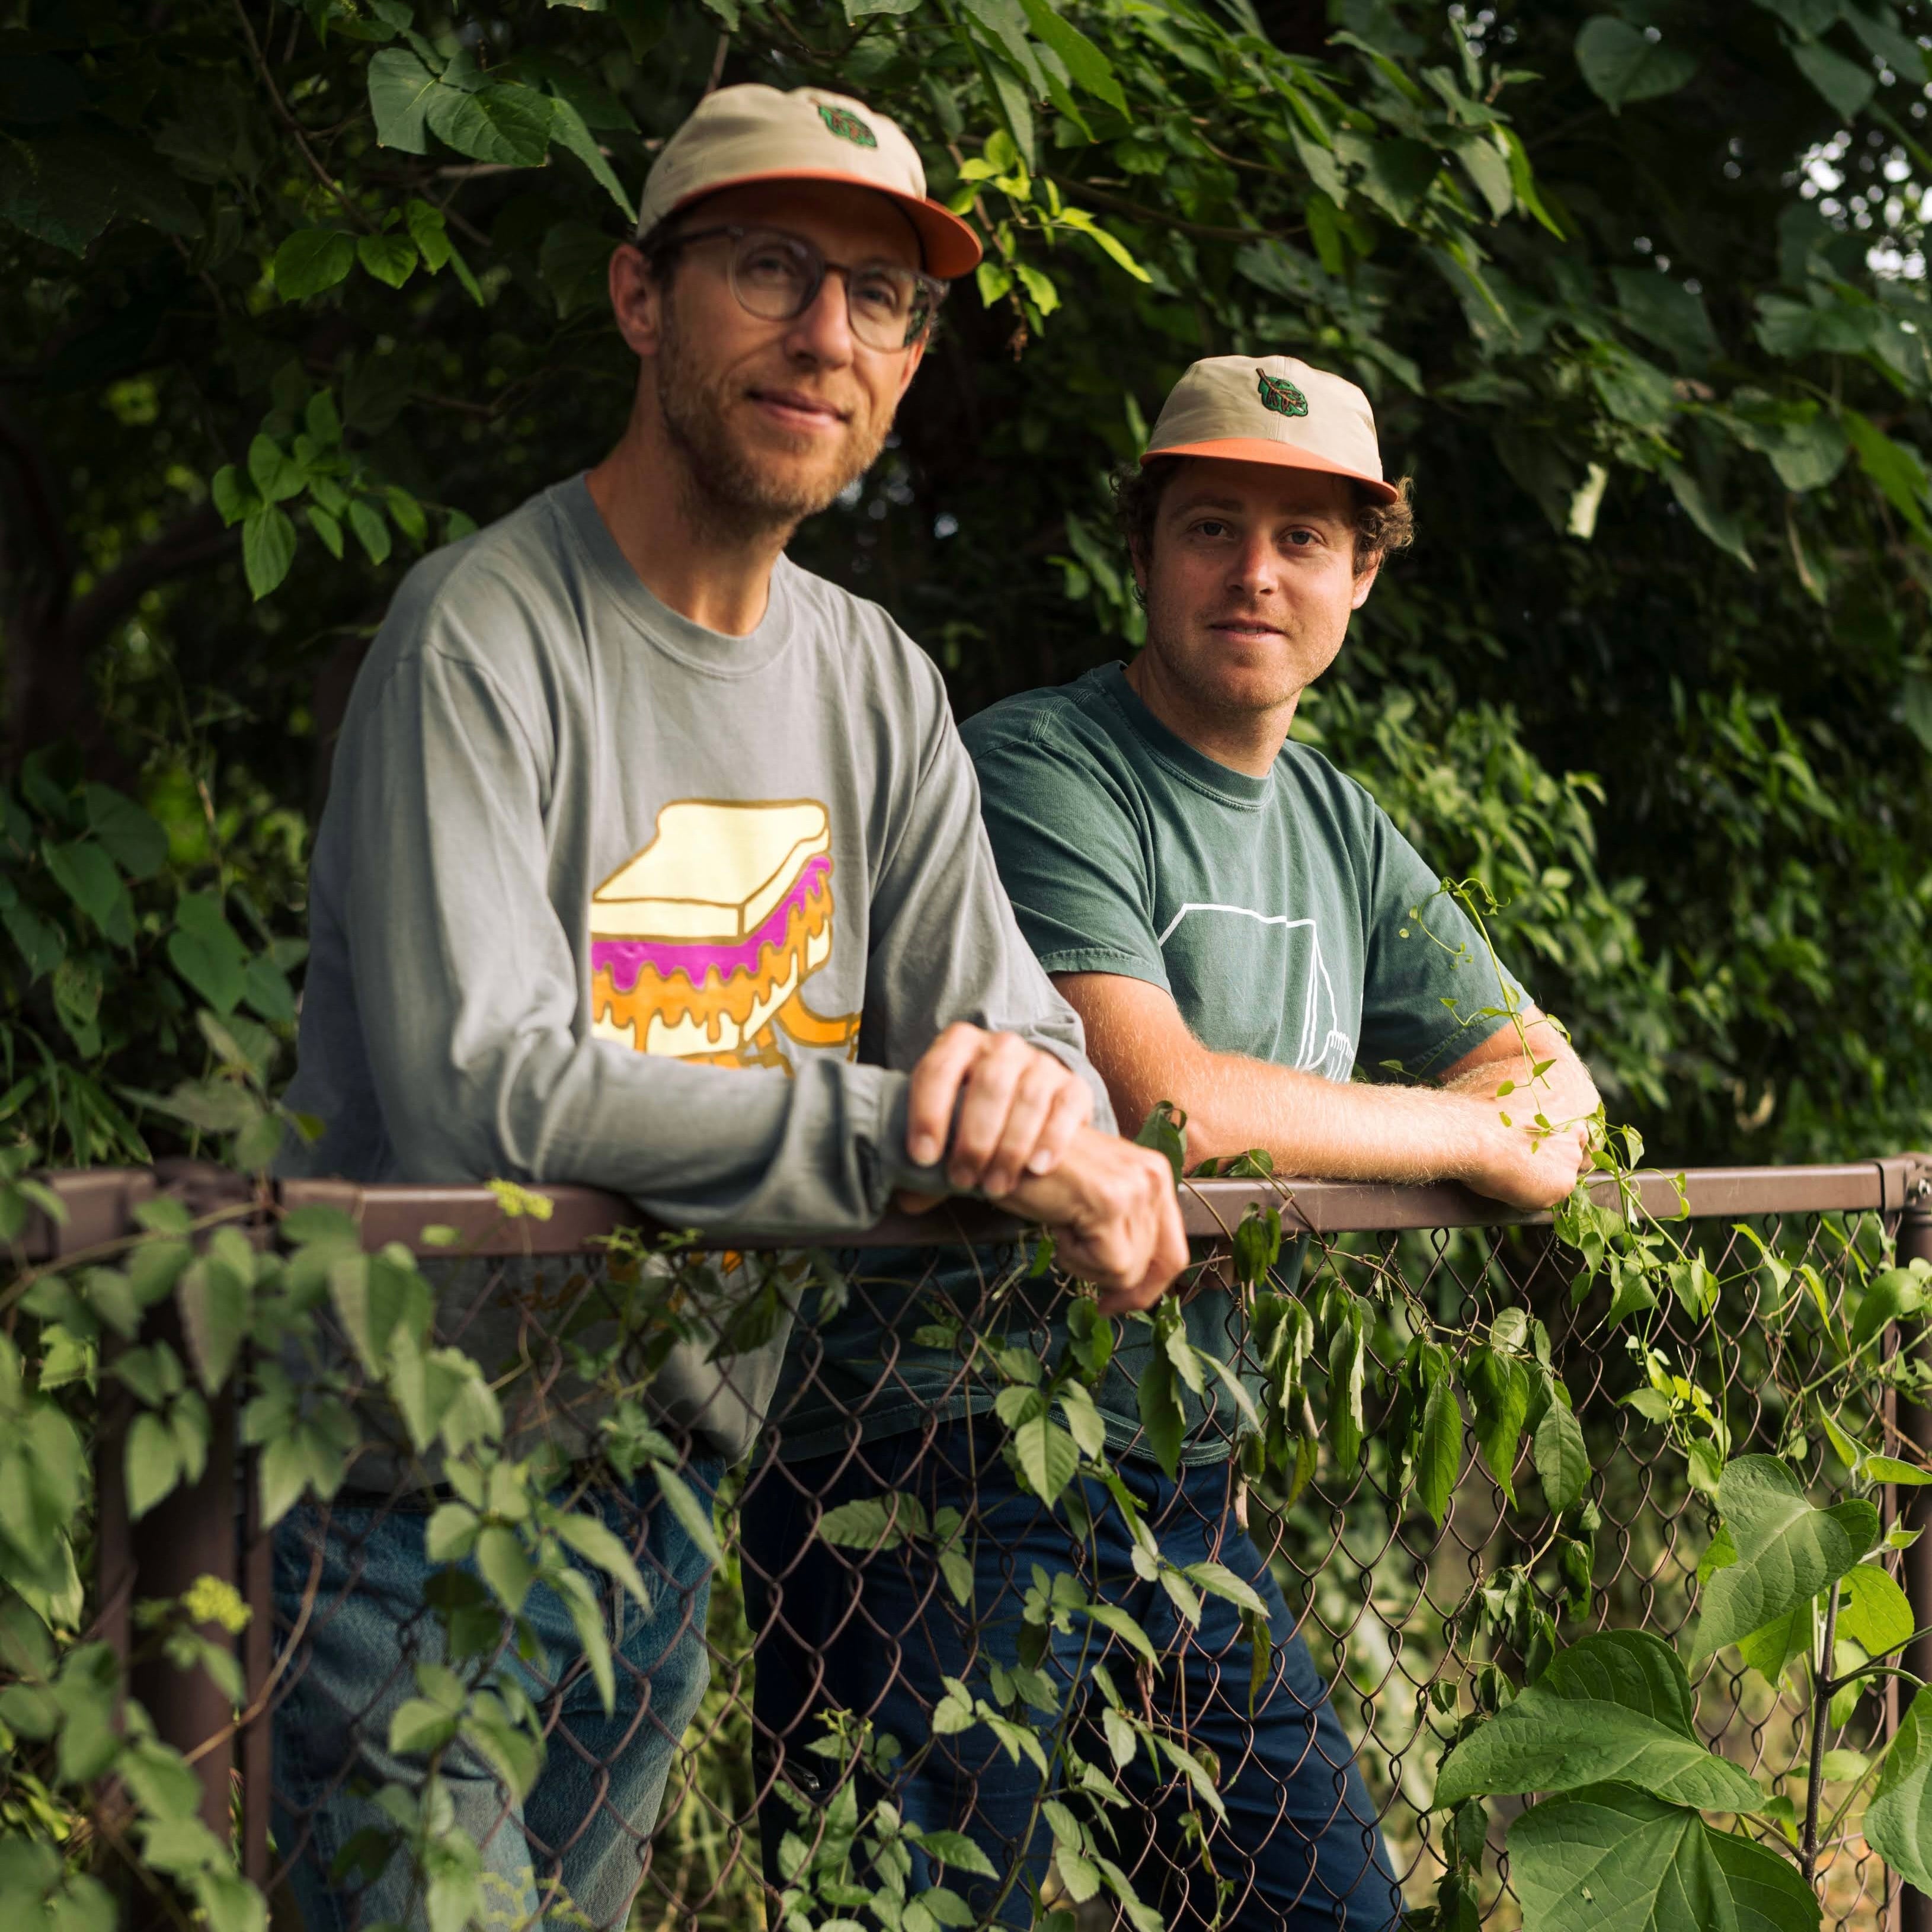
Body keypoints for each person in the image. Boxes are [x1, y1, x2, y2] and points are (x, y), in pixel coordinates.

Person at [270, 83, 1186, 1932]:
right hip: (397, 1502)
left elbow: (1030, 1039)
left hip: (667, 1489)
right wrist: (913, 1125)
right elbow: (487, 1100)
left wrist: (1040, 1112)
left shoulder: (877, 683)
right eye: (769, 268)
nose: (826, 333)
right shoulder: (482, 634)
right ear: (639, 297)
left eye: (879, 295)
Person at [747, 354, 1601, 1928]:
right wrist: (1460, 1134)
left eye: (1303, 537)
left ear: (1363, 570)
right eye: (1211, 525)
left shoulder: (1336, 821)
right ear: (1140, 550)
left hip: (1176, 1479)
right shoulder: (1037, 766)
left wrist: (1497, 1124)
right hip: (934, 1459)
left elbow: (1556, 1093)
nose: (1255, 572)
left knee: (1326, 1906)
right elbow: (1160, 1103)